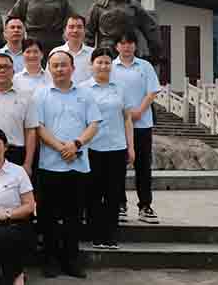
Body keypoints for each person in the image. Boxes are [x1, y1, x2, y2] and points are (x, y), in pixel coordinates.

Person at [34, 50, 101, 279]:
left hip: (78, 165)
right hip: (49, 165)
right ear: (49, 69)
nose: (60, 69)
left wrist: (76, 144)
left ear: (72, 68)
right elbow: (38, 127)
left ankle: (71, 260)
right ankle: (50, 260)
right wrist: (61, 148)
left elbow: (94, 124)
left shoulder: (85, 94)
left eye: (64, 65)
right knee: (48, 217)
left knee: (74, 216)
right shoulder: (41, 94)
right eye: (55, 65)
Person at [81, 47, 134, 250]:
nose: (103, 66)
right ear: (91, 65)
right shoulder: (83, 89)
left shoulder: (120, 88)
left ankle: (111, 235)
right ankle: (96, 234)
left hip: (116, 147)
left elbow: (127, 119)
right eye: (99, 62)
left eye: (107, 62)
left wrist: (131, 147)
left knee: (114, 193)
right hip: (91, 148)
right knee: (93, 193)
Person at [111, 30, 161, 225]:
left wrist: (139, 111)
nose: (127, 46)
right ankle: (120, 204)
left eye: (130, 43)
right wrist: (124, 114)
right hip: (118, 124)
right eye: (123, 43)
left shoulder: (145, 66)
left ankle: (145, 206)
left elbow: (152, 92)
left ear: (135, 46)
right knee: (118, 168)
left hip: (142, 123)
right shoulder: (111, 67)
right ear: (117, 46)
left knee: (143, 166)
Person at [0, 127, 36, 285]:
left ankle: (16, 275)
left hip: (16, 223)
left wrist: (6, 214)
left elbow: (30, 206)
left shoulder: (18, 172)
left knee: (1, 235)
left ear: (6, 147)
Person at [0, 53, 38, 175]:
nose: (2, 70)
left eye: (6, 67)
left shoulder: (26, 98)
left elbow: (30, 131)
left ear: (13, 72)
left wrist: (28, 163)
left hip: (15, 154)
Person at [50, 14, 93, 85]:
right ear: (65, 30)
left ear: (85, 30)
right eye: (71, 27)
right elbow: (48, 79)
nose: (75, 30)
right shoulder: (55, 53)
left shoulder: (93, 54)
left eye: (79, 27)